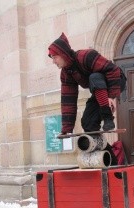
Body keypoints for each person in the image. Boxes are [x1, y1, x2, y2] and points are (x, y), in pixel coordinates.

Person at [48, 33, 126, 164]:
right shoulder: (66, 74)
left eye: (55, 57)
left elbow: (112, 70)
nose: (53, 61)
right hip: (99, 90)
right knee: (87, 123)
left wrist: (111, 96)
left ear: (63, 54)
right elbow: (68, 100)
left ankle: (108, 119)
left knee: (94, 77)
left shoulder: (86, 56)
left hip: (115, 80)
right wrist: (67, 128)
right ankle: (113, 161)